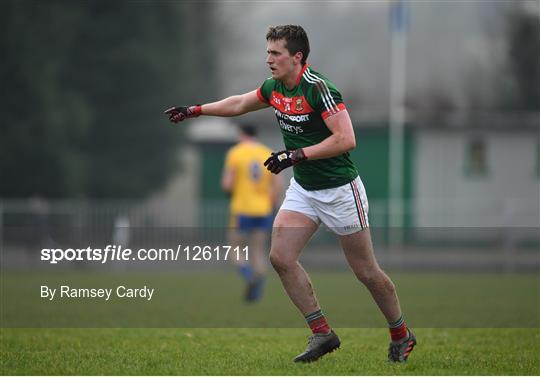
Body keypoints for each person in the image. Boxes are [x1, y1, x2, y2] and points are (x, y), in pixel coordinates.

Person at [165, 24, 416, 363]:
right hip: (304, 189)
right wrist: (196, 110)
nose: (269, 59)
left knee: (366, 272)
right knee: (280, 257)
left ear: (297, 57)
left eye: (275, 53)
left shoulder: (319, 89)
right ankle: (322, 333)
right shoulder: (274, 88)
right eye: (268, 52)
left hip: (340, 190)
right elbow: (240, 103)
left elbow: (346, 139)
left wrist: (297, 155)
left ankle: (400, 333)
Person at [221, 123, 282, 302]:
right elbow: (277, 185)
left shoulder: (235, 153)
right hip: (263, 209)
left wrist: (231, 192)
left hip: (242, 208)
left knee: (235, 248)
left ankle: (249, 277)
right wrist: (269, 204)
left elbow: (227, 185)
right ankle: (256, 291)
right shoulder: (267, 153)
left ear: (241, 134)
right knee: (257, 250)